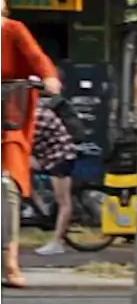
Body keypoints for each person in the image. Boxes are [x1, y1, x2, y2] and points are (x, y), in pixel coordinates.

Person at [0, 0, 60, 288]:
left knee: (6, 184)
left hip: (7, 121)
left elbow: (38, 58)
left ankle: (10, 261)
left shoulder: (13, 30)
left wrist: (49, 78)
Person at [31, 95, 78, 256]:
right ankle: (41, 208)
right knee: (22, 175)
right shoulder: (32, 112)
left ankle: (57, 242)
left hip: (61, 157)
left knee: (63, 201)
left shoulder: (38, 115)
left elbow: (27, 139)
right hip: (47, 156)